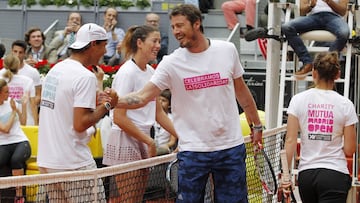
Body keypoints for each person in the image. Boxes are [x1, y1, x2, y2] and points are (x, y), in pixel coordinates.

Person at [113, 4, 263, 202]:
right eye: (173, 26)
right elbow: (142, 96)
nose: (175, 31)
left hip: (230, 148)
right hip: (193, 152)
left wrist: (257, 125)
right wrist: (116, 102)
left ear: (197, 23)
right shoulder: (170, 62)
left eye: (180, 26)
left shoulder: (227, 50)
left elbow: (242, 93)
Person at [37, 23, 119, 202]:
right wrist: (106, 106)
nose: (105, 51)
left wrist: (97, 98)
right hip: (73, 164)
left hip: (49, 163)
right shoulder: (84, 76)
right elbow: (81, 123)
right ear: (93, 44)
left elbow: (65, 106)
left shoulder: (55, 70)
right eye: (104, 45)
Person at [102, 24, 177, 203]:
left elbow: (158, 112)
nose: (158, 45)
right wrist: (149, 141)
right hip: (126, 139)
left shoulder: (151, 72)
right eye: (154, 41)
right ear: (140, 43)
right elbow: (119, 118)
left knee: (137, 198)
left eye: (159, 41)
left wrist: (181, 135)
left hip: (143, 139)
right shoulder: (127, 73)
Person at [281, 52, 357, 203]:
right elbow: (350, 149)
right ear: (337, 75)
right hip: (335, 174)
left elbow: (290, 140)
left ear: (314, 73)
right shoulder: (346, 104)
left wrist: (285, 176)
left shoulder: (298, 100)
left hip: (307, 176)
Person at [281, 0, 350, 79]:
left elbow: (343, 11)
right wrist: (311, 5)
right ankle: (307, 62)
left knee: (344, 32)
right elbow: (301, 11)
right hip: (313, 17)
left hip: (334, 17)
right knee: (287, 27)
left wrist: (329, 2)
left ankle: (327, 63)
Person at [0, 78, 30, 203]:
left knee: (16, 160)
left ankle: (19, 196)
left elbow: (23, 121)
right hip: (3, 143)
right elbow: (5, 129)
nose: (9, 94)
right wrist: (13, 112)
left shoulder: (12, 103)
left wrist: (22, 105)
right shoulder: (11, 107)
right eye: (6, 92)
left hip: (20, 141)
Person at [1, 54, 37, 126]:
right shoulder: (28, 81)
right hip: (27, 122)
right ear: (18, 66)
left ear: (4, 65)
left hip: (3, 120)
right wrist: (36, 124)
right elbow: (33, 105)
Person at [11, 40, 41, 122]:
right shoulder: (3, 73)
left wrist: (29, 100)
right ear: (11, 51)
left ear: (24, 54)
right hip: (8, 117)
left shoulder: (33, 72)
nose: (17, 55)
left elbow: (38, 94)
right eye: (15, 51)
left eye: (20, 52)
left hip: (28, 118)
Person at [153, 89, 177, 155]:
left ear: (169, 105)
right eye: (159, 100)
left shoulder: (172, 119)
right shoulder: (152, 117)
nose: (160, 102)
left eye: (163, 100)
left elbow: (172, 141)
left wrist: (166, 146)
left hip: (165, 150)